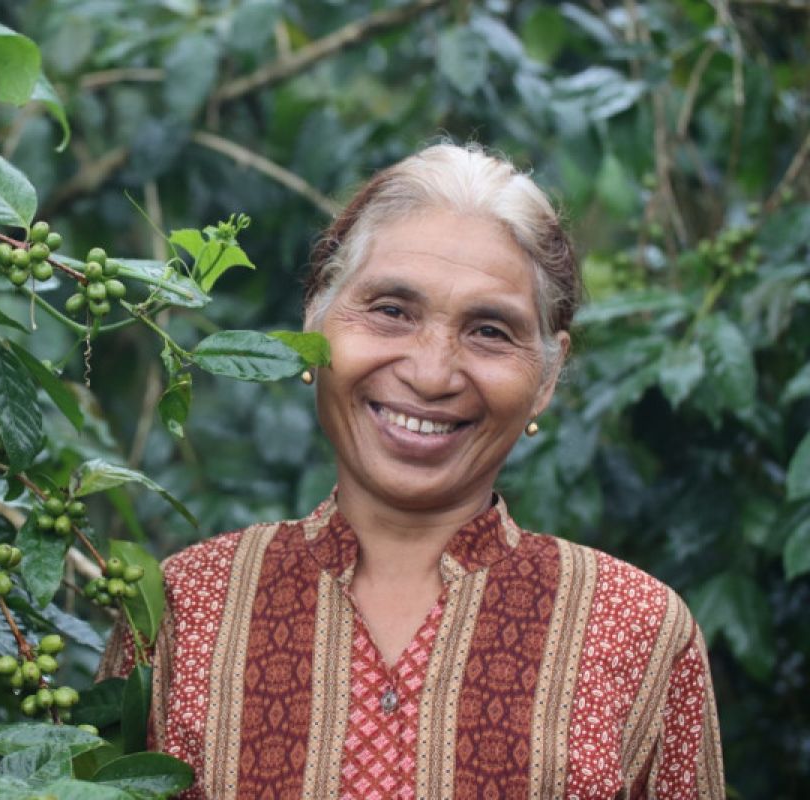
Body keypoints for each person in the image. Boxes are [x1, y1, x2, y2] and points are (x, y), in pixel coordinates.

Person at [100, 142, 725, 799]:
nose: (430, 374)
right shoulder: (182, 609)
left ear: (548, 374)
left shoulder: (636, 631)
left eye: (489, 331)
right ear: (315, 316)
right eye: (392, 312)